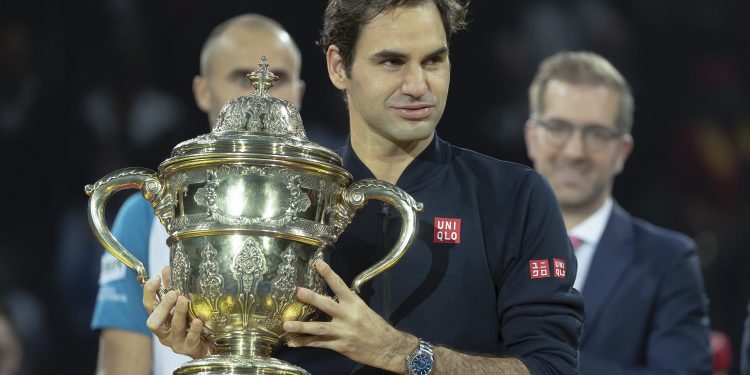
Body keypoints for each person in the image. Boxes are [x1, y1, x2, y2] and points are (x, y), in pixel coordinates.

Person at [144, 1, 584, 374]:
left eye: (434, 60)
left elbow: (551, 366)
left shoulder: (515, 197)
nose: (418, 86)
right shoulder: (288, 197)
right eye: (391, 62)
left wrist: (405, 354)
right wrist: (223, 352)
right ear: (339, 67)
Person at [90, 13, 307, 375]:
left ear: (299, 92)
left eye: (279, 79)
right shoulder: (146, 216)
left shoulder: (331, 211)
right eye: (241, 77)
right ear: (202, 92)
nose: (261, 91)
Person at [523, 51, 712, 374]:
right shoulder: (483, 244)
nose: (575, 151)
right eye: (558, 127)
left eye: (596, 134)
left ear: (622, 151)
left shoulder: (669, 261)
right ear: (532, 137)